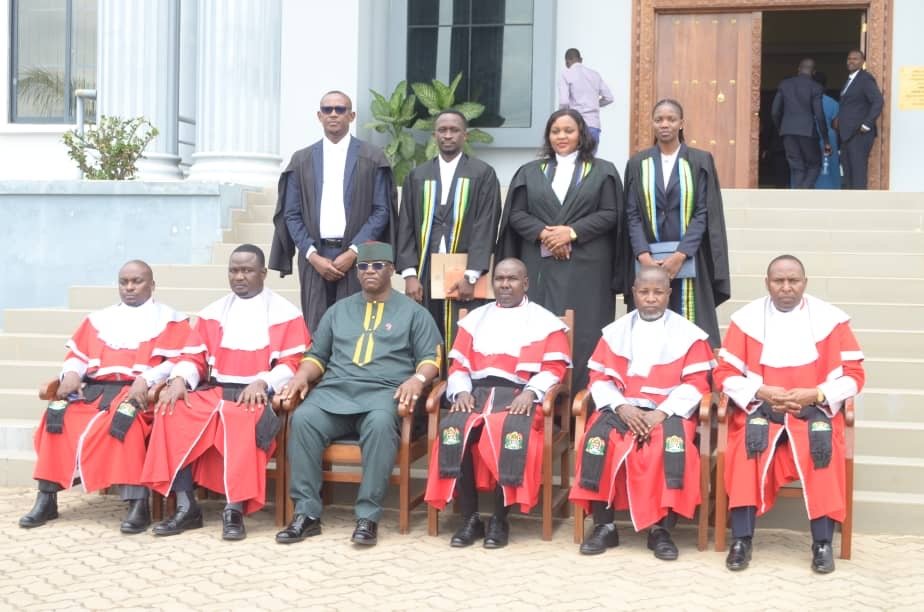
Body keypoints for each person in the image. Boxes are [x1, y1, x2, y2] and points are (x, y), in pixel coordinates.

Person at [276, 242, 442, 547]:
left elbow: (431, 359)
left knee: (380, 423)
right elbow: (317, 356)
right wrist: (300, 376)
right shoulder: (338, 311)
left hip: (384, 394)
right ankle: (306, 513)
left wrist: (417, 380)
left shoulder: (414, 313)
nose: (369, 272)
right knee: (303, 418)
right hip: (335, 393)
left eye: (378, 266)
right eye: (363, 267)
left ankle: (368, 516)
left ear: (391, 270)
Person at [142, 244, 310, 541]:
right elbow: (193, 357)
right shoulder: (213, 312)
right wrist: (179, 379)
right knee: (172, 411)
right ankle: (186, 506)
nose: (239, 277)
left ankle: (234, 509)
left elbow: (292, 363)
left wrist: (264, 382)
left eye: (247, 271)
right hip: (217, 390)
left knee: (240, 423)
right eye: (233, 271)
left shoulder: (285, 313)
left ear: (263, 273)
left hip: (255, 395)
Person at [714, 255, 865, 574]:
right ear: (767, 283)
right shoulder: (746, 320)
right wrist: (760, 391)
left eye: (793, 281)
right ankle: (741, 540)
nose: (786, 287)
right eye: (778, 281)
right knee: (745, 450)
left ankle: (822, 543)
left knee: (822, 450)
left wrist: (817, 393)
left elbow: (854, 376)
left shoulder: (831, 320)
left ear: (804, 283)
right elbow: (724, 374)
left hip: (814, 410)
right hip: (761, 408)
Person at [20, 261, 189, 534]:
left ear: (152, 285)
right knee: (56, 417)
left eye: (137, 281)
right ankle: (46, 499)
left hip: (136, 393)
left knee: (125, 423)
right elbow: (77, 356)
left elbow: (179, 361)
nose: (129, 287)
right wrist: (71, 374)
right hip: (93, 390)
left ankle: (138, 504)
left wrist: (147, 379)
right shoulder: (98, 319)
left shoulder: (171, 319)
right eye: (124, 282)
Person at [424, 258, 571, 549]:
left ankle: (500, 519)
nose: (505, 284)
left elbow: (554, 368)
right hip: (477, 394)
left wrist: (531, 392)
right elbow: (458, 367)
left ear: (525, 283)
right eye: (500, 279)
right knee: (455, 429)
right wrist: (461, 392)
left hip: (520, 396)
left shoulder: (544, 321)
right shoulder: (475, 319)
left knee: (507, 431)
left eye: (512, 279)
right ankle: (470, 518)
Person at [570, 266, 714, 559]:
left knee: (667, 447)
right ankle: (604, 526)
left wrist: (662, 412)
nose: (650, 298)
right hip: (621, 408)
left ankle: (661, 530)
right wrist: (622, 406)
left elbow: (698, 383)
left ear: (668, 294)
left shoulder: (689, 335)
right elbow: (599, 378)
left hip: (669, 412)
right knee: (600, 442)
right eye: (644, 292)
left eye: (658, 292)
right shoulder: (614, 333)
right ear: (634, 293)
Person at [496, 108, 622, 391]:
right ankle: (536, 395)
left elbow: (611, 213)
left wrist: (571, 233)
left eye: (568, 131)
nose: (561, 136)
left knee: (585, 332)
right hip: (540, 267)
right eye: (555, 131)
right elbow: (516, 213)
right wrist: (545, 234)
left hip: (587, 270)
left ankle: (583, 397)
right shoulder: (529, 172)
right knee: (540, 331)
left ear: (581, 134)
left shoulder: (603, 171)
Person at [269, 90, 397, 331]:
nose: (334, 114)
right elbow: (291, 213)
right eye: (327, 109)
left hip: (358, 258)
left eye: (340, 109)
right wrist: (312, 255)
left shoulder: (371, 157)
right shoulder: (302, 159)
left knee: (356, 327)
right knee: (317, 328)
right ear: (319, 116)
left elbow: (381, 210)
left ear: (352, 115)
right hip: (315, 256)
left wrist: (353, 252)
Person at [621, 98, 730, 348]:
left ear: (681, 123)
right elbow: (632, 214)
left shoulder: (699, 160)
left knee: (691, 326)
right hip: (648, 258)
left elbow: (703, 211)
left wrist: (680, 255)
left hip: (689, 258)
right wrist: (643, 256)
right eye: (659, 119)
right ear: (652, 123)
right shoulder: (638, 163)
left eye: (671, 119)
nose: (665, 124)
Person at [396, 109, 502, 349]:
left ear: (465, 135)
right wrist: (410, 275)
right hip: (425, 270)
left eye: (454, 130)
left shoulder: (482, 173)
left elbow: (486, 224)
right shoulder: (418, 175)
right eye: (442, 130)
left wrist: (472, 274)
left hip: (465, 271)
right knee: (426, 335)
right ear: (434, 135)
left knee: (463, 331)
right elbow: (406, 225)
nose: (448, 135)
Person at [771, 58, 831, 189]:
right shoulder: (816, 87)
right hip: (807, 132)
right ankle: (804, 192)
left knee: (796, 167)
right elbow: (819, 115)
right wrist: (826, 140)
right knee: (814, 165)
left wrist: (781, 128)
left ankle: (799, 194)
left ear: (798, 69)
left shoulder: (784, 85)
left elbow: (775, 112)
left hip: (787, 132)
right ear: (813, 72)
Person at [833, 50, 884, 190]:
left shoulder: (865, 79)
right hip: (846, 134)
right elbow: (851, 105)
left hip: (859, 134)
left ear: (862, 62)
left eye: (855, 59)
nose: (851, 61)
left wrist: (867, 124)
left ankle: (860, 201)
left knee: (858, 170)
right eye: (849, 58)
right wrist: (839, 118)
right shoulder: (850, 80)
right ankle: (850, 200)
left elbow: (878, 101)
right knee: (847, 170)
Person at [558, 48, 614, 147]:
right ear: (581, 60)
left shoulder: (566, 74)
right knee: (590, 157)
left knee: (574, 156)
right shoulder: (595, 75)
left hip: (576, 125)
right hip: (594, 125)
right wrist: (594, 104)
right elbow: (609, 98)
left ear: (566, 62)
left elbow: (564, 102)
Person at [813, 72, 841, 190]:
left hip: (809, 136)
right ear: (825, 86)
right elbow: (836, 125)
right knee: (829, 166)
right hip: (829, 138)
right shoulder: (833, 103)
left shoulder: (806, 100)